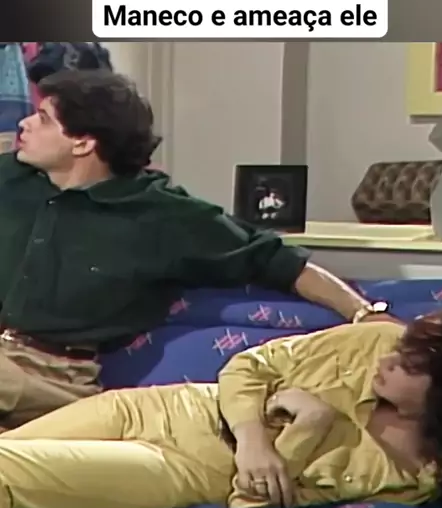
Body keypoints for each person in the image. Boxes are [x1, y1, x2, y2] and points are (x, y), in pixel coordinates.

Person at [0, 68, 392, 429]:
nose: (24, 123)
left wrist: (364, 313)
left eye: (43, 118)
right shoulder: (13, 178)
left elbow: (281, 262)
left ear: (83, 142)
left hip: (55, 375)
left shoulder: (164, 214)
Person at [0, 309, 442, 508]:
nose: (389, 360)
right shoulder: (374, 341)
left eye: (409, 367)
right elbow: (250, 365)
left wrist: (310, 425)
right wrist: (253, 437)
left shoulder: (408, 474)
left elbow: (249, 504)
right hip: (158, 405)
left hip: (183, 467)